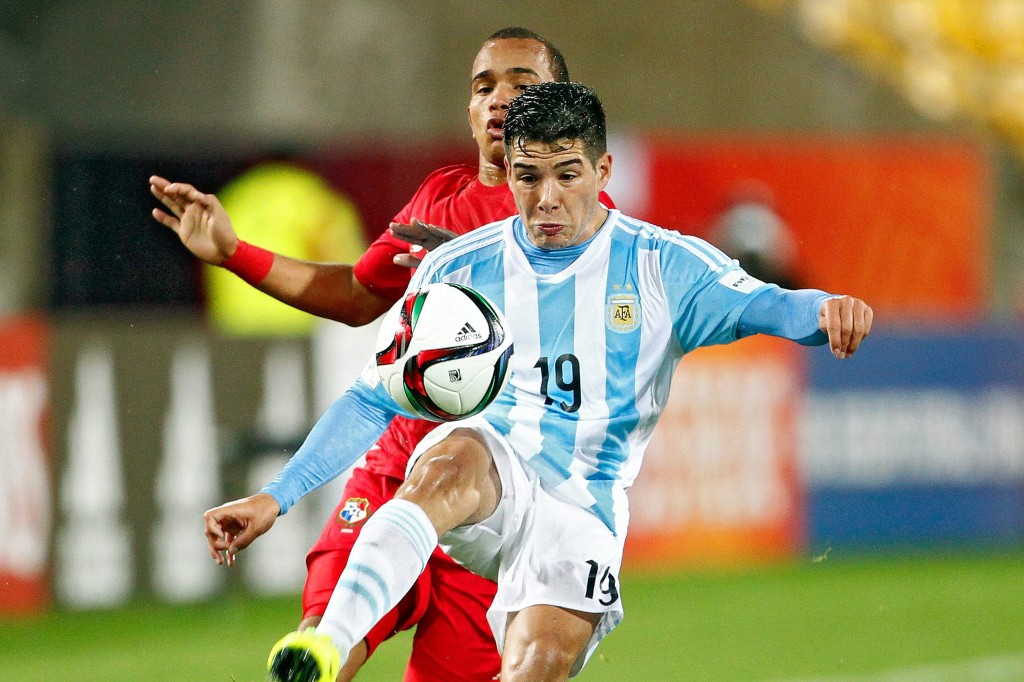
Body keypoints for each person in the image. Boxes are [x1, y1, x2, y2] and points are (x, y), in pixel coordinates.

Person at [219, 81, 873, 681]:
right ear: (509, 174)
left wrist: (826, 310)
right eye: (529, 177)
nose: (547, 199)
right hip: (490, 474)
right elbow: (372, 396)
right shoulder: (458, 268)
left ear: (603, 171)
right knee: (452, 458)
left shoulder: (661, 266)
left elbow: (766, 302)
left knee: (537, 665)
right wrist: (275, 497)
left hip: (582, 509)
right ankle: (325, 646)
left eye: (567, 175)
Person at [152, 28, 613, 682]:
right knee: (319, 650)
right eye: (484, 87)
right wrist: (235, 253)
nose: (499, 99)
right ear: (470, 112)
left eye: (522, 84)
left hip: (490, 524)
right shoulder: (439, 201)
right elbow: (356, 294)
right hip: (395, 480)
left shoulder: (593, 228)